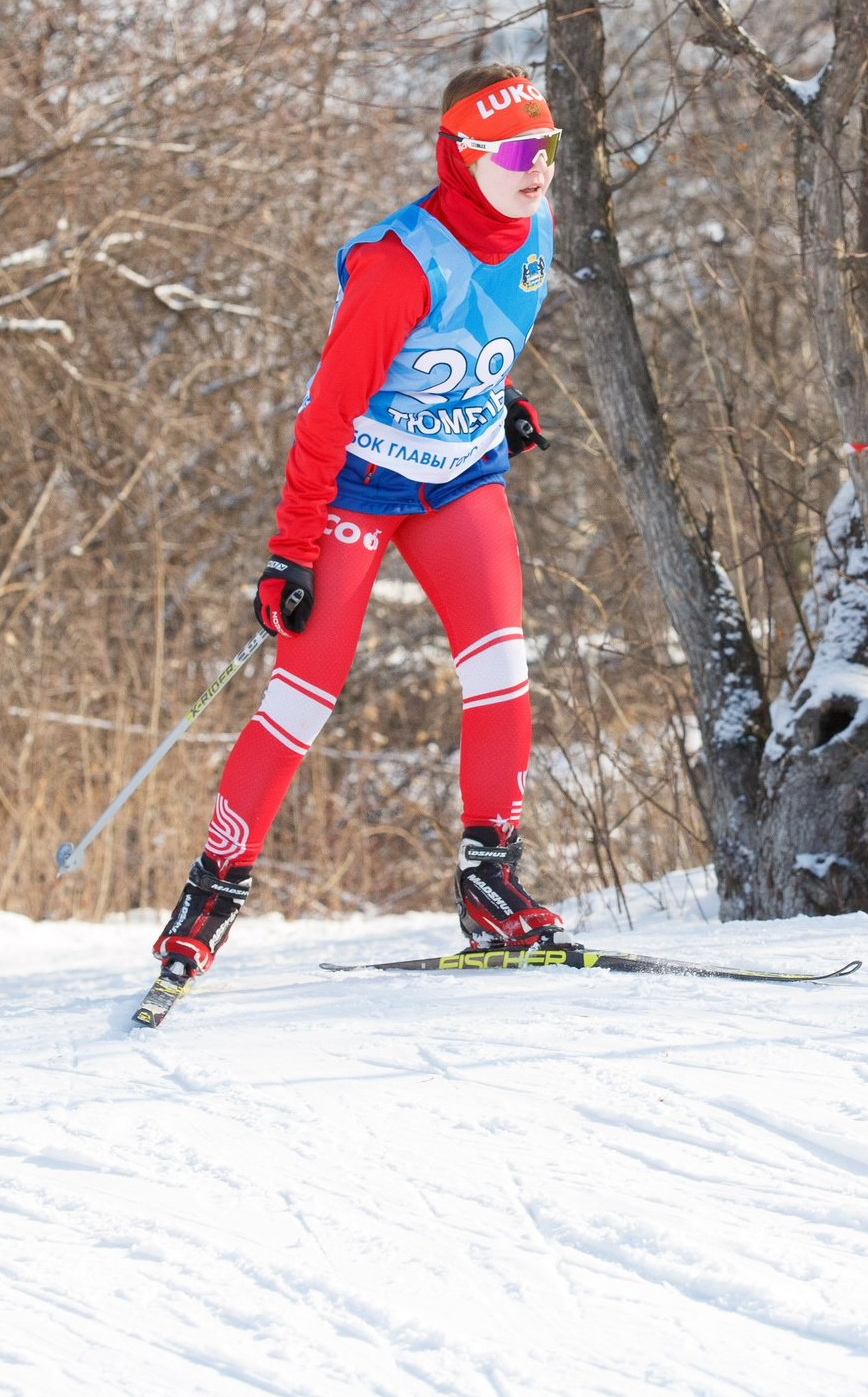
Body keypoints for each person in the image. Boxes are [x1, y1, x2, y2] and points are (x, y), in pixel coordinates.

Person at [150, 64, 567, 986]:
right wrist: (288, 552)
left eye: (546, 147)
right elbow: (326, 418)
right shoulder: (396, 266)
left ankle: (489, 880)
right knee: (303, 697)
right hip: (355, 487)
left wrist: (497, 401)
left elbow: (469, 344)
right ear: (460, 157)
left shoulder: (534, 225)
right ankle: (213, 889)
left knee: (502, 667)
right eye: (512, 151)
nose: (535, 167)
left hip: (458, 478)